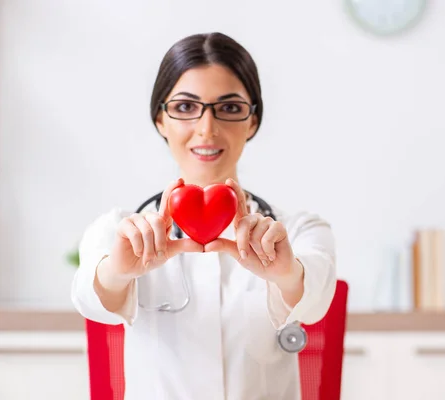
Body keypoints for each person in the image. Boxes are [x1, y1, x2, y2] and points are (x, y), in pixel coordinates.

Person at [71, 32, 337, 400]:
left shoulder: (298, 229)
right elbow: (89, 295)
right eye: (184, 107)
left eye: (229, 108)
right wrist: (116, 272)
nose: (206, 128)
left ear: (253, 121)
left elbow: (317, 293)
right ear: (160, 120)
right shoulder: (119, 230)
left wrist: (286, 274)